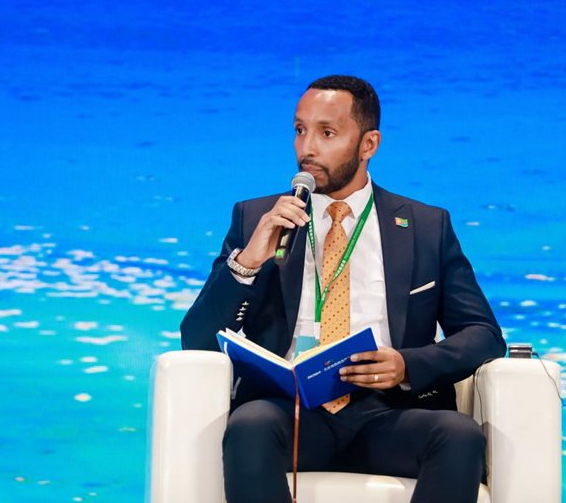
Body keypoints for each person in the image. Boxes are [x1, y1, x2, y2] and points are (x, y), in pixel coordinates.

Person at [180, 75, 505, 503]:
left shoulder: (426, 226)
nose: (307, 148)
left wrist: (405, 365)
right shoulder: (256, 218)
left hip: (390, 413)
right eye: (300, 130)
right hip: (289, 414)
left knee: (458, 434)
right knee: (250, 425)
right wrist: (248, 262)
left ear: (369, 144)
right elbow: (197, 339)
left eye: (327, 133)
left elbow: (483, 335)